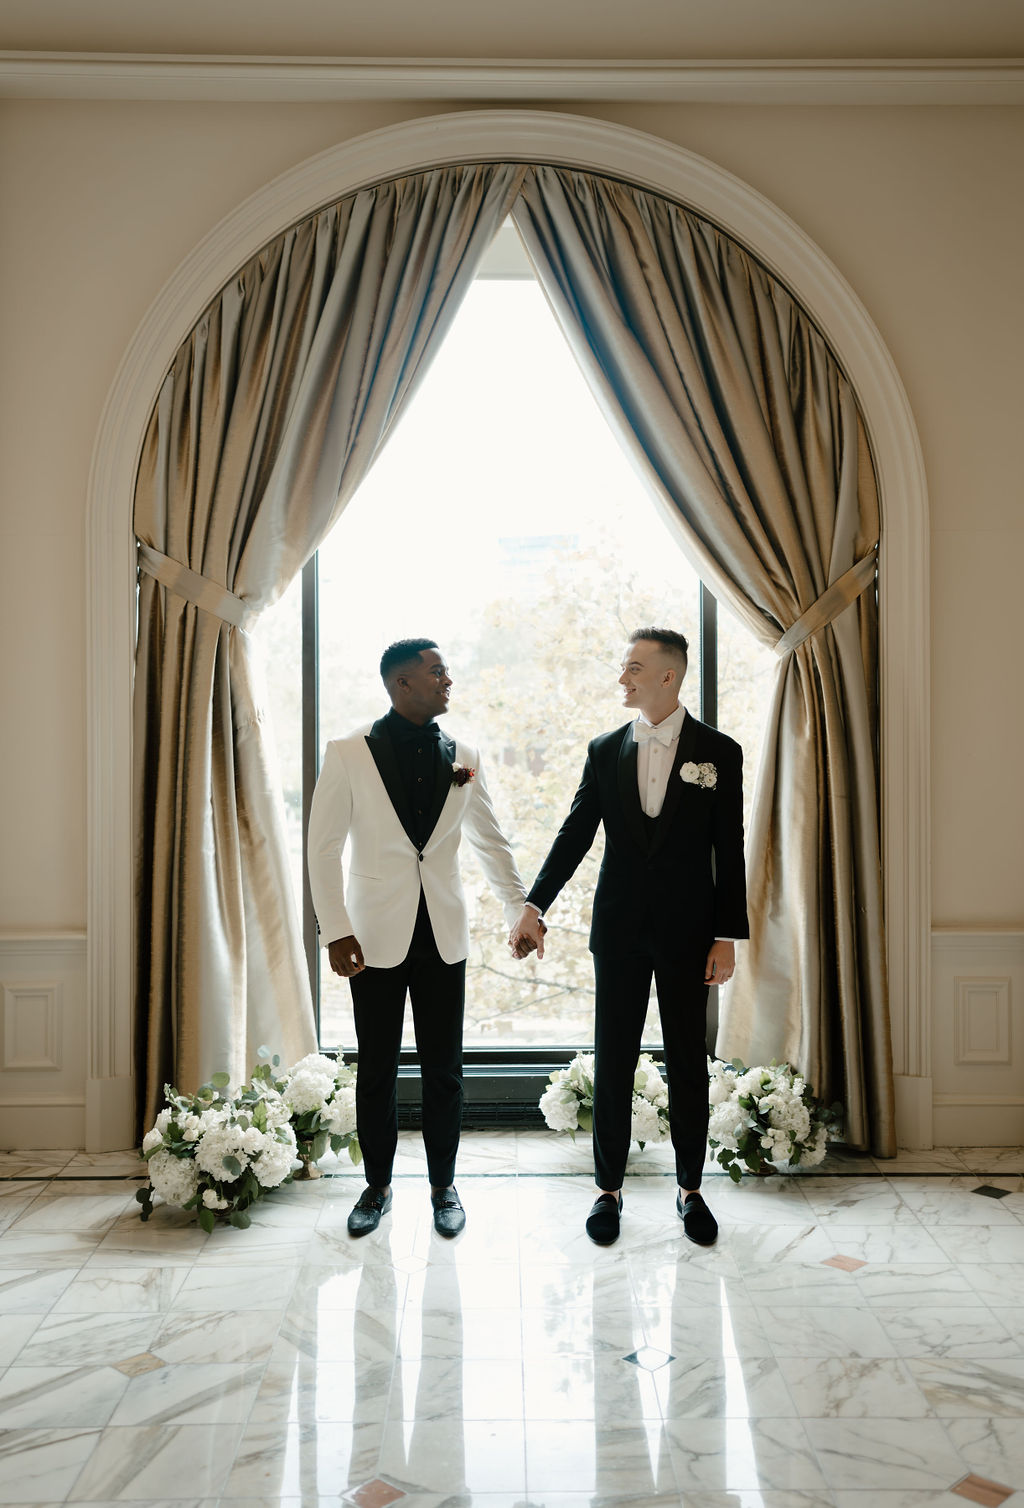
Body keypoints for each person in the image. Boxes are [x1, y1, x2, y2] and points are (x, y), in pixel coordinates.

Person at [510, 628, 748, 1246]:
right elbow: (575, 833)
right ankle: (607, 1190)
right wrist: (535, 904)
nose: (623, 679)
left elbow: (731, 850)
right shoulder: (604, 749)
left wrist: (726, 936)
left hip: (690, 932)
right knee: (613, 1058)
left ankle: (691, 1188)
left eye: (634, 669)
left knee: (688, 1060)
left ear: (668, 677)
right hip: (617, 929)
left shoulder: (719, 752)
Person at [308, 639, 531, 1237]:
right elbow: (323, 848)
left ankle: (443, 1186)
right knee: (375, 1067)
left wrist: (519, 909)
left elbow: (490, 841)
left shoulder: (465, 753)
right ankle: (376, 1186)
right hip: (372, 935)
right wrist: (335, 930)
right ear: (401, 684)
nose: (447, 679)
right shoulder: (347, 752)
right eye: (436, 672)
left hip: (444, 935)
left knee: (445, 1069)